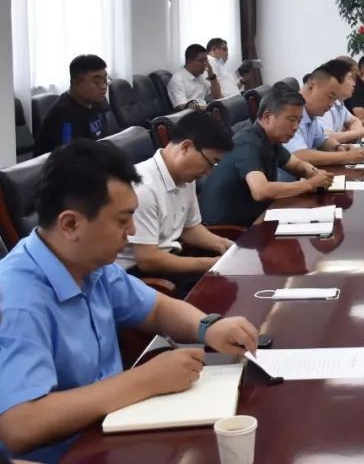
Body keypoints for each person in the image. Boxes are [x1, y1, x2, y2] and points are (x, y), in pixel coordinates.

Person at [0, 140, 260, 463]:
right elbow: (20, 424)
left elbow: (156, 308)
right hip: (72, 454)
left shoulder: (90, 264)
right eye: (122, 220)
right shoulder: (16, 299)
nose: (132, 230)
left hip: (114, 430)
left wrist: (209, 327)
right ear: (70, 224)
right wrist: (145, 380)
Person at [117, 112, 237, 295]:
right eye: (210, 163)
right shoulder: (143, 187)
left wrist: (224, 245)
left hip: (171, 262)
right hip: (141, 279)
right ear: (186, 147)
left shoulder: (185, 178)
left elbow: (189, 228)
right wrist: (211, 264)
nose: (209, 172)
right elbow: (148, 260)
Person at [198, 83, 333, 227]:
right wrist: (309, 184)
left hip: (255, 219)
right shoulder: (247, 144)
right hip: (227, 229)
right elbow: (261, 191)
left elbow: (297, 164)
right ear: (268, 117)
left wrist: (313, 172)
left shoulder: (271, 140)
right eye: (291, 119)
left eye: (299, 121)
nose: (295, 127)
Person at [283, 61, 364, 168]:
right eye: (330, 97)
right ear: (312, 87)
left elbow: (323, 140)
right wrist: (346, 156)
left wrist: (338, 148)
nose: (331, 104)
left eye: (334, 99)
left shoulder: (310, 114)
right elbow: (298, 155)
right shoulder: (289, 110)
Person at [33, 55, 115, 156]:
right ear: (76, 83)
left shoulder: (97, 101)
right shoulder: (64, 115)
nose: (103, 86)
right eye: (97, 82)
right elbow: (71, 160)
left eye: (105, 80)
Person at [319, 56, 364, 144]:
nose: (354, 84)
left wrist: (352, 133)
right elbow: (326, 138)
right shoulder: (323, 103)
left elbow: (356, 121)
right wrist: (363, 131)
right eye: (352, 78)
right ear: (337, 79)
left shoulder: (339, 102)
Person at [167, 44, 222, 110]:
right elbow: (181, 106)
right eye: (202, 60)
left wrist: (212, 76)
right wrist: (209, 109)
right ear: (190, 61)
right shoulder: (178, 80)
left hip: (204, 111)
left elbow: (217, 96)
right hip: (192, 115)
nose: (205, 63)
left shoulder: (200, 77)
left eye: (206, 60)